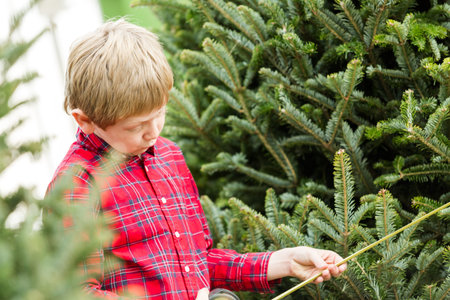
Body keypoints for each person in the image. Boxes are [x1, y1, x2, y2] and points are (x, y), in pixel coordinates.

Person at [47, 19, 347, 300]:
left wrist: (284, 261)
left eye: (160, 114)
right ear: (84, 120)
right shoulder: (77, 185)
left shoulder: (168, 157)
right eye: (136, 126)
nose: (153, 133)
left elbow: (197, 264)